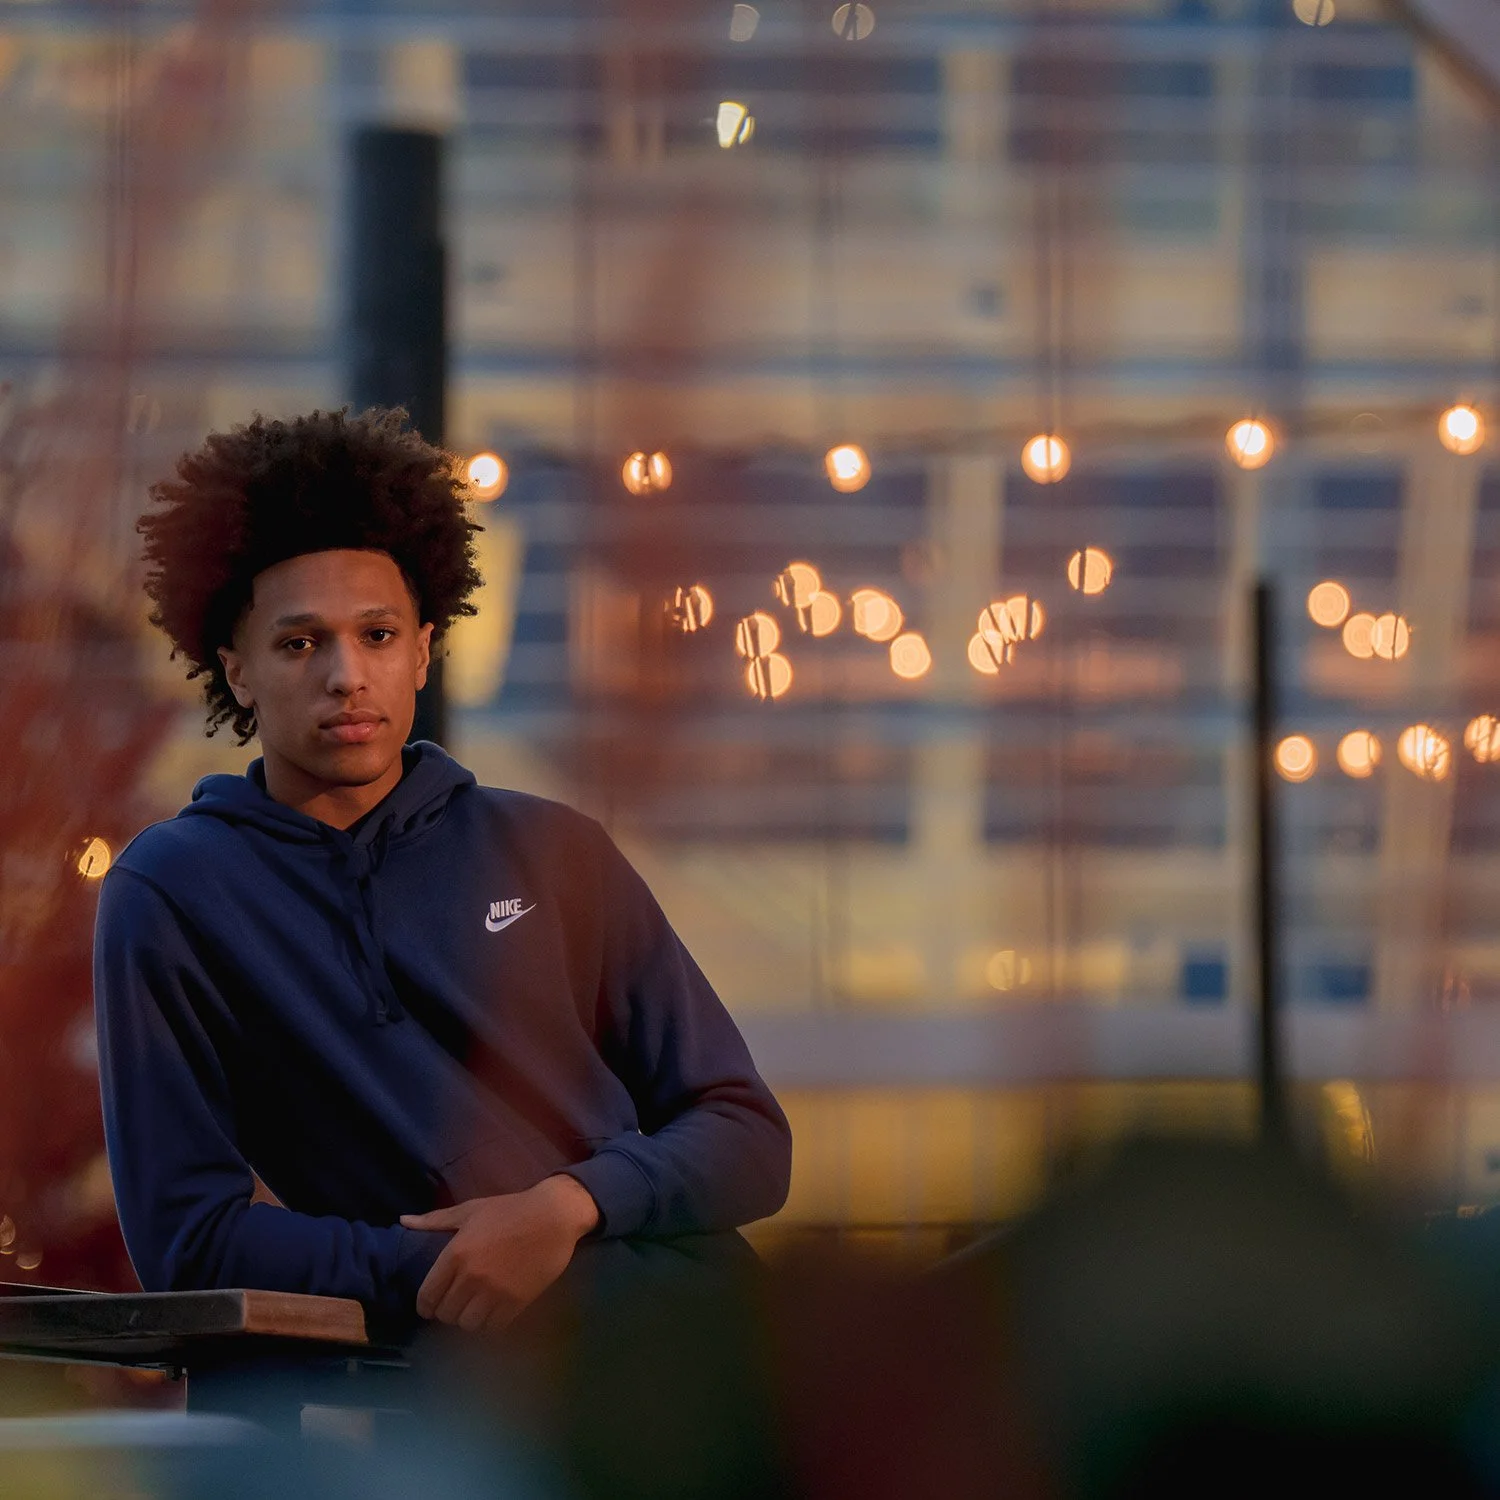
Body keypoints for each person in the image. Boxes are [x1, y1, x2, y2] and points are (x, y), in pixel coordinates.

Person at [92, 407, 792, 1335]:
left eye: (377, 635)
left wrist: (563, 1210)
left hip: (697, 1344)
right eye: (301, 643)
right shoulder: (173, 891)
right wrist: (453, 1267)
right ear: (238, 670)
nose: (347, 674)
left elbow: (745, 1133)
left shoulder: (554, 849)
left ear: (424, 647)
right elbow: (192, 1238)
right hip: (445, 1391)